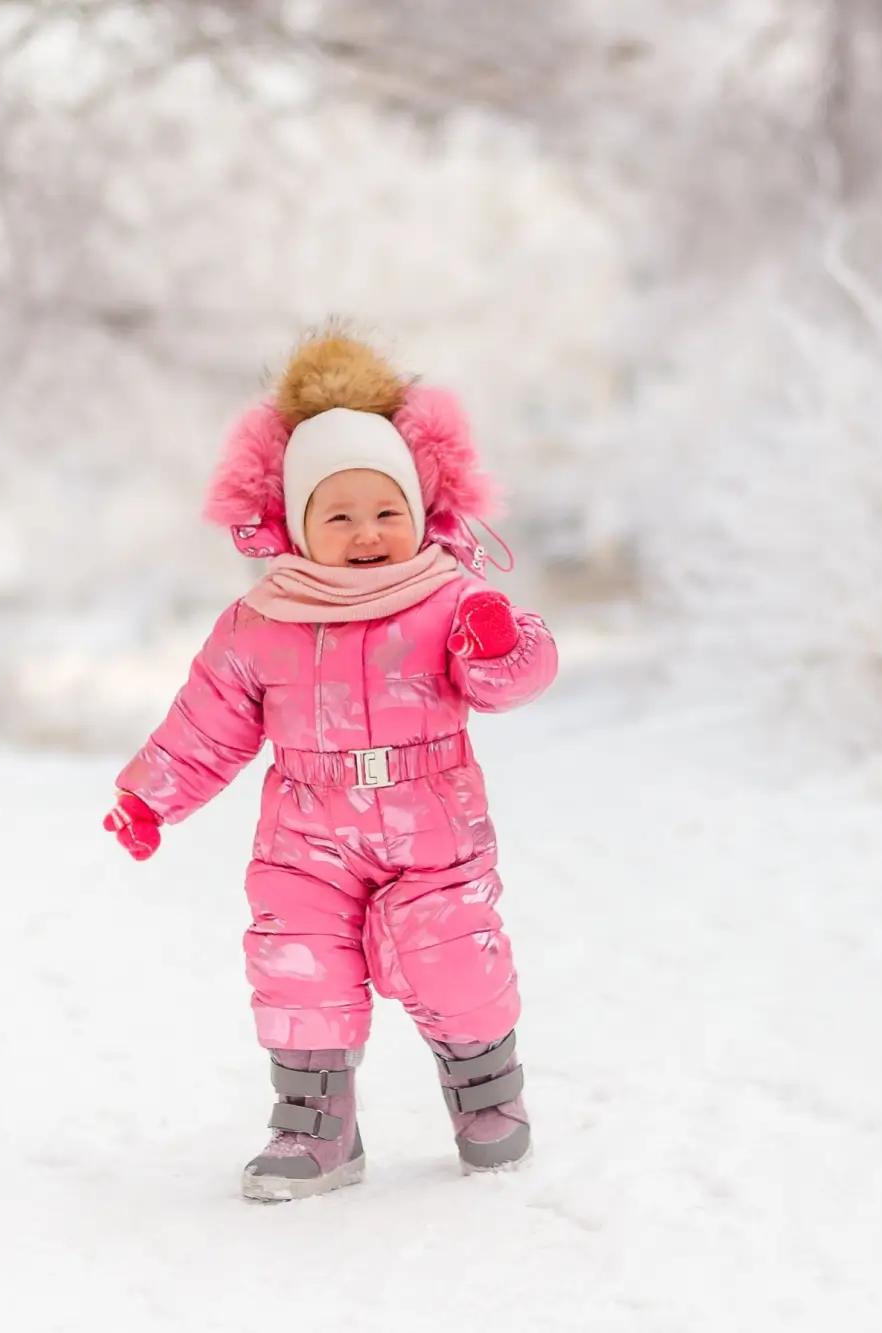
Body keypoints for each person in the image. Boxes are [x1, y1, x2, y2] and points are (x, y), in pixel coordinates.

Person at [104, 331, 558, 1201]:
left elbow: (513, 676)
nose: (365, 535)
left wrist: (501, 646)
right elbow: (207, 722)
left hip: (434, 828)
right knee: (296, 966)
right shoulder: (263, 621)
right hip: (305, 835)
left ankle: (488, 1100)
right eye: (338, 516)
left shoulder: (448, 597)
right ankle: (318, 1131)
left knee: (455, 959)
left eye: (385, 513)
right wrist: (150, 797)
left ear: (419, 514)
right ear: (298, 524)